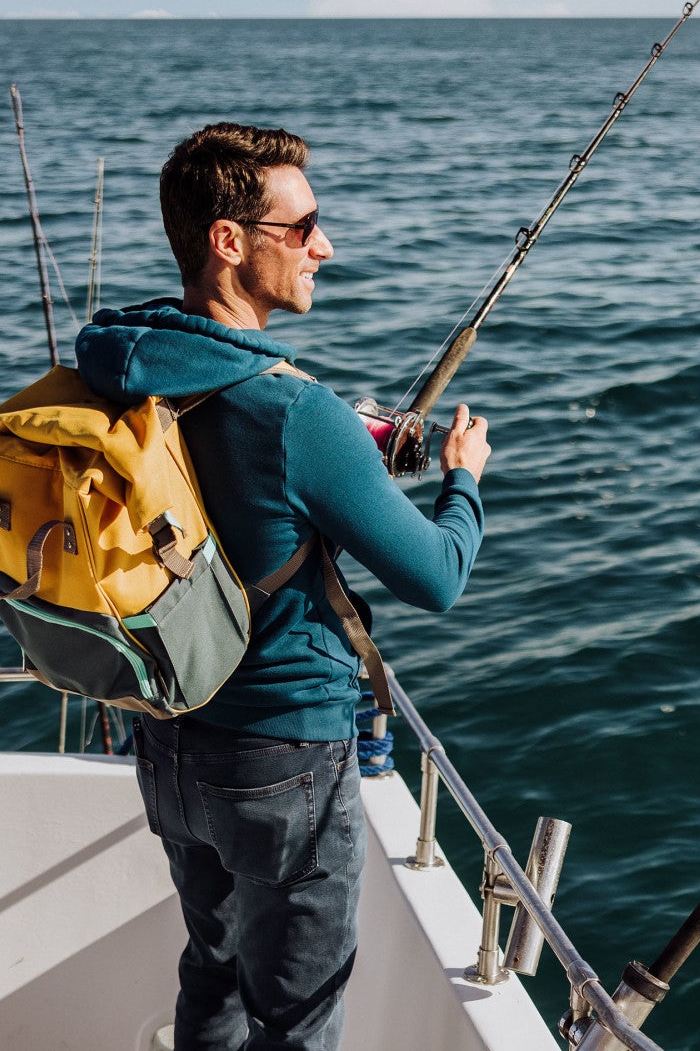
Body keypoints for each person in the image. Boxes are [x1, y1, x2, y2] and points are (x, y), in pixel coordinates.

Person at [75, 122, 491, 1051]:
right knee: (297, 1018)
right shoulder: (297, 411)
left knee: (211, 971)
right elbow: (437, 578)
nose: (324, 247)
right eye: (303, 227)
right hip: (283, 759)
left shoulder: (122, 362)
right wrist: (462, 476)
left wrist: (354, 449)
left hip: (168, 742)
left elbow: (225, 470)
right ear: (230, 240)